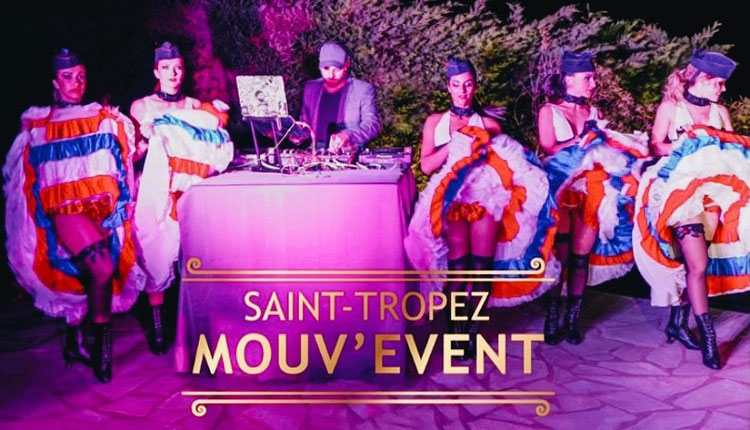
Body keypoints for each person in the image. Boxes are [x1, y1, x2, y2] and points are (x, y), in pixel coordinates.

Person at [3, 48, 146, 382]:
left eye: (81, 76)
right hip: (64, 212)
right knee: (102, 267)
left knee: (91, 274)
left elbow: (118, 160)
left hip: (98, 210)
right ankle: (101, 346)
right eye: (68, 77)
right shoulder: (40, 124)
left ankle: (75, 338)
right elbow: (23, 176)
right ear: (55, 82)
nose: (76, 83)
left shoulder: (102, 117)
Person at [404, 58, 560, 360]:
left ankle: (472, 331)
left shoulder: (489, 123)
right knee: (458, 270)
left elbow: (505, 160)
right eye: (456, 85)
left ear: (474, 86)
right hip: (452, 199)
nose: (462, 91)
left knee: (481, 269)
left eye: (468, 84)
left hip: (486, 196)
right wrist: (454, 143)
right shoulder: (435, 122)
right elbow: (426, 165)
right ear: (448, 87)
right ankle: (456, 333)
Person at [633, 51, 748, 369]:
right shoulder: (671, 107)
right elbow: (656, 145)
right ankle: (709, 338)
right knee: (697, 264)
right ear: (703, 79)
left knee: (696, 263)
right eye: (719, 83)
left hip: (713, 194)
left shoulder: (719, 112)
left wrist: (716, 141)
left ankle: (677, 323)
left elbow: (732, 148)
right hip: (679, 191)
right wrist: (688, 143)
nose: (723, 89)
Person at [538, 50, 648, 345]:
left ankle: (573, 318)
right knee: (559, 256)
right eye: (588, 78)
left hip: (592, 189)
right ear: (569, 80)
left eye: (593, 78)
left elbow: (604, 150)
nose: (593, 84)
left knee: (580, 257)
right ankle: (552, 315)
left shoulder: (594, 113)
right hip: (561, 188)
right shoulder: (549, 110)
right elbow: (549, 147)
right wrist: (581, 139)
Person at [132, 42, 234, 355]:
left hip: (188, 189)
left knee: (193, 255)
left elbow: (210, 147)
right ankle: (158, 326)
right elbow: (138, 145)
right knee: (156, 250)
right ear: (156, 72)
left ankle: (194, 325)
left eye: (178, 68)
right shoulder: (143, 107)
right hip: (157, 188)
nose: (173, 74)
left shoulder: (195, 105)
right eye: (166, 68)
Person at [300, 41, 381, 152]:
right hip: (314, 152)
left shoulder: (362, 90)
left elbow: (372, 125)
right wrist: (297, 135)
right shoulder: (311, 88)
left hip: (348, 152)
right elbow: (305, 125)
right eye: (326, 68)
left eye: (337, 69)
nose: (331, 74)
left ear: (347, 64)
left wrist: (348, 136)